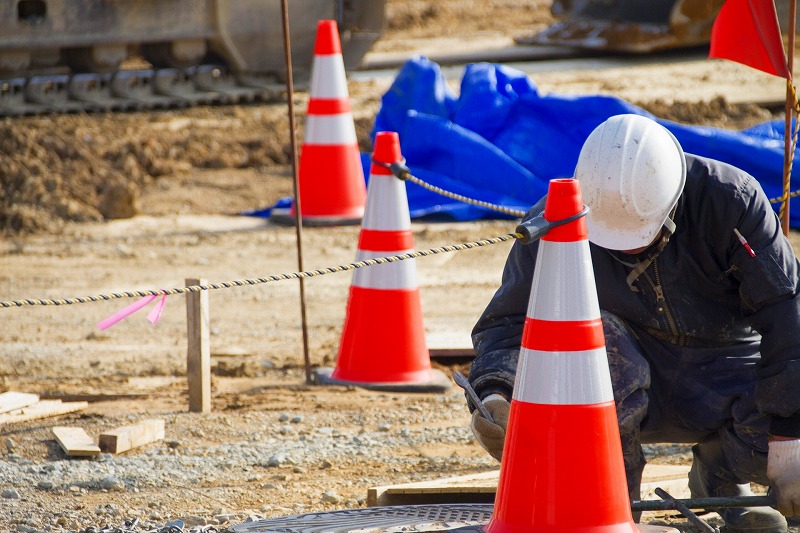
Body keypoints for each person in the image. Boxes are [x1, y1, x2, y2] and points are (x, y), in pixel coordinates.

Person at [467, 114, 800, 533]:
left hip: (726, 369)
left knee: (787, 398)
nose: (633, 249)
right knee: (594, 338)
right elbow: (510, 323)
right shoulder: (555, 221)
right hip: (615, 381)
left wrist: (790, 440)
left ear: (672, 202)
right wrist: (497, 391)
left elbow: (787, 312)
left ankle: (719, 475)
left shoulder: (730, 201)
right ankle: (610, 502)